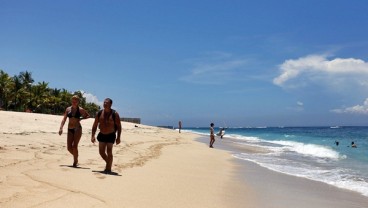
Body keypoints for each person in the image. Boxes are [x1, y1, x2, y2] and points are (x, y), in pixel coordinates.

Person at [91, 98, 122, 173]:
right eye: (104, 103)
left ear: (110, 104)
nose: (105, 104)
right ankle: (109, 163)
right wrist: (92, 135)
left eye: (106, 103)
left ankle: (108, 168)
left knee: (109, 151)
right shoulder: (99, 113)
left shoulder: (114, 114)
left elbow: (119, 126)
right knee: (101, 152)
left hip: (111, 135)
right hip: (102, 134)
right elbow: (95, 125)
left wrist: (118, 137)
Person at [59, 95, 90, 167]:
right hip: (70, 129)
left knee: (74, 146)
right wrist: (61, 128)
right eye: (73, 100)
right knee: (69, 148)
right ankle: (76, 156)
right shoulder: (68, 109)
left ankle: (75, 161)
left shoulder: (81, 109)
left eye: (76, 101)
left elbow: (88, 115)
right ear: (71, 101)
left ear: (78, 102)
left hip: (77, 129)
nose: (74, 102)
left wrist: (81, 118)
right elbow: (64, 119)